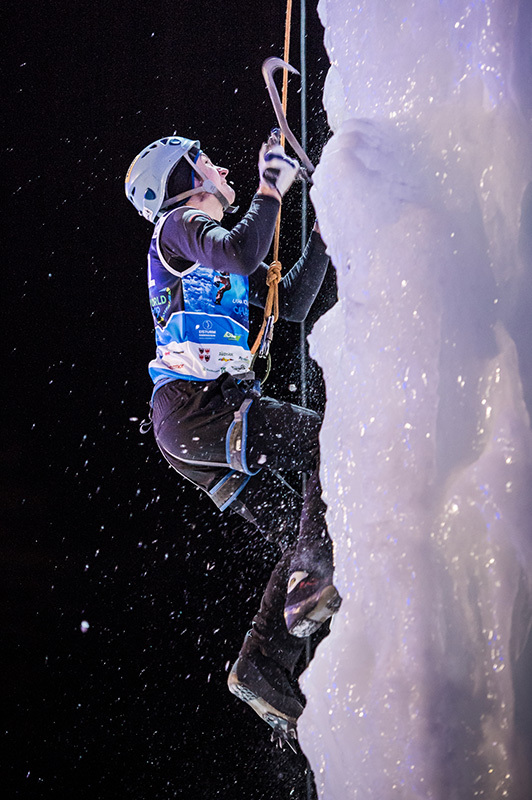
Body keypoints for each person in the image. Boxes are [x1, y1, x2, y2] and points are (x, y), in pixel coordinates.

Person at [125, 135, 340, 744]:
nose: (221, 168)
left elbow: (291, 303)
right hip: (195, 409)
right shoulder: (176, 229)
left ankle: (265, 666)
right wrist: (271, 186)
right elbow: (245, 250)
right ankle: (308, 585)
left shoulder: (220, 258)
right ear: (184, 182)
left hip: (202, 417)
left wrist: (324, 232)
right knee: (331, 444)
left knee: (304, 530)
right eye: (206, 163)